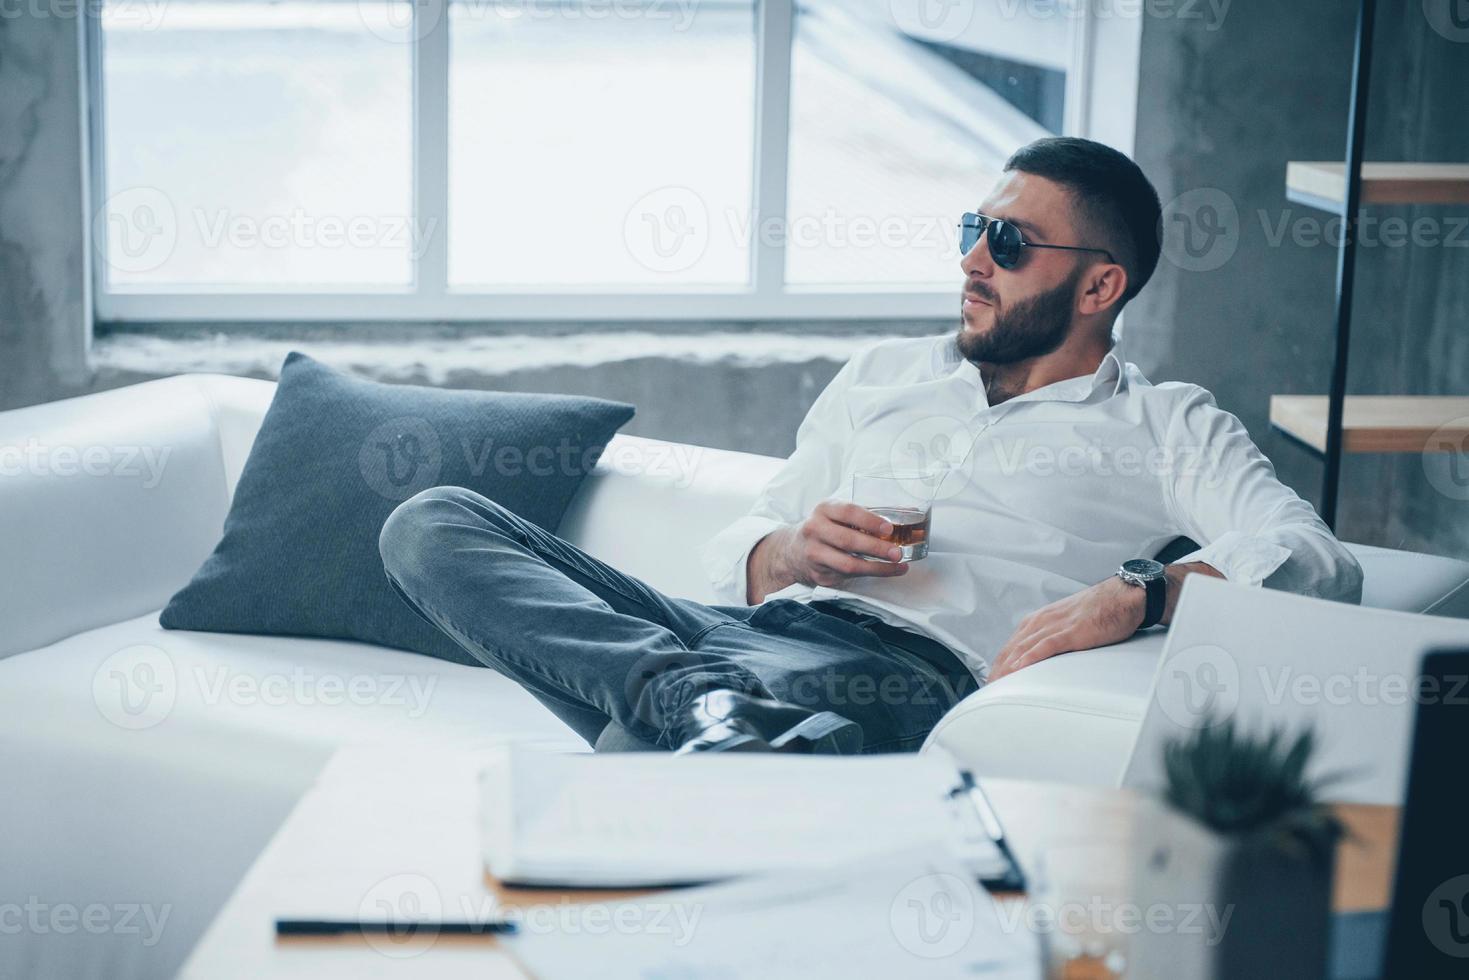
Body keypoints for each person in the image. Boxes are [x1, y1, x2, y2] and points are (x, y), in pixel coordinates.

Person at [379, 137, 1362, 756]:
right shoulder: (885, 372)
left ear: (1098, 287)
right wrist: (793, 551)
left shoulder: (1164, 422)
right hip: (721, 636)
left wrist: (1145, 593)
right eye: (972, 228)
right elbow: (744, 549)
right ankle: (703, 711)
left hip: (900, 674)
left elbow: (1314, 559)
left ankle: (701, 723)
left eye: (1009, 244)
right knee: (431, 522)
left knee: (646, 769)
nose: (972, 259)